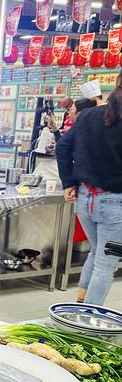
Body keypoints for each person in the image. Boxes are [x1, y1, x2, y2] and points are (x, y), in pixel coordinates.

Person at [56, 80, 122, 306]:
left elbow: (63, 147)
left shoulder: (88, 116)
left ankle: (81, 302)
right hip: (116, 207)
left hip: (84, 200)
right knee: (107, 263)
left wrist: (68, 183)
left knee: (96, 252)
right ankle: (86, 321)